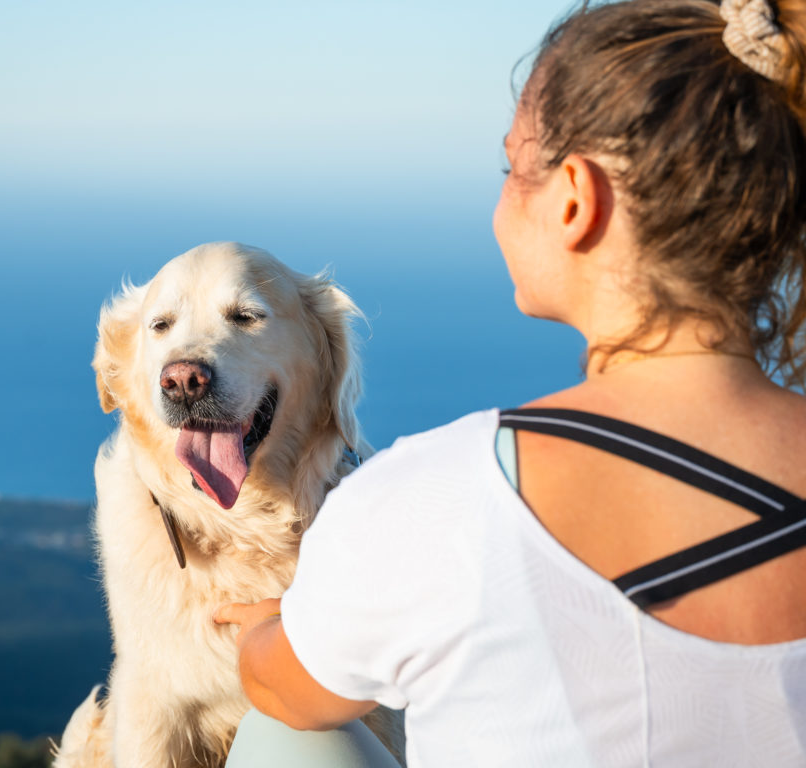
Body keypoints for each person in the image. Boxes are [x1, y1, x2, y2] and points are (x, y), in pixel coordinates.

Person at [214, 0, 806, 764]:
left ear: (574, 200)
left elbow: (282, 688)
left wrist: (274, 630)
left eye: (510, 167)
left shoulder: (436, 502)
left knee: (284, 741)